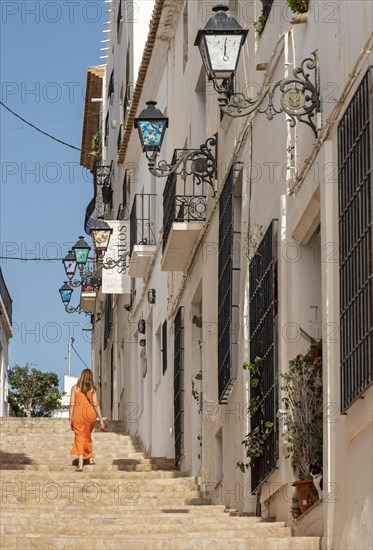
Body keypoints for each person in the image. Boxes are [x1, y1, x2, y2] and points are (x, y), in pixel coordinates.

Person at [69, 368, 105, 472]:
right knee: (88, 436)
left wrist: (70, 418)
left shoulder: (75, 388)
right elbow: (96, 404)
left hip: (78, 415)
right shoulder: (92, 389)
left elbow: (72, 405)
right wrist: (101, 420)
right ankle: (90, 459)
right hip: (90, 415)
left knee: (80, 437)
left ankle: (80, 465)